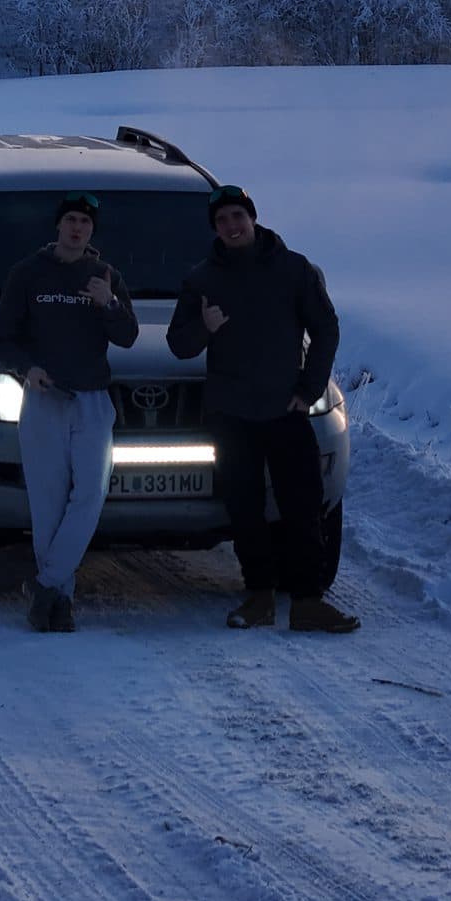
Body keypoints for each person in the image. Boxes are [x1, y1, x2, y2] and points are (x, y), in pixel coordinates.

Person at [167, 183, 360, 634]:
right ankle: (258, 598)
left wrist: (309, 388)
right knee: (244, 508)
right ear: (214, 229)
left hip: (284, 410)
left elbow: (326, 329)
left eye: (238, 217)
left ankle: (308, 602)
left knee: (303, 506)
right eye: (222, 221)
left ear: (252, 218)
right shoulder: (202, 278)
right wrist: (205, 328)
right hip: (231, 414)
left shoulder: (293, 270)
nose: (232, 227)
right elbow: (179, 344)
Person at [0, 192, 137, 632]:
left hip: (92, 402)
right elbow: (2, 339)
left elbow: (128, 335)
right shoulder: (28, 274)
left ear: (92, 231)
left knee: (89, 495)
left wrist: (108, 303)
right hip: (45, 400)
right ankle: (59, 602)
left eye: (85, 223)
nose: (77, 228)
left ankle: (45, 583)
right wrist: (27, 367)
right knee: (48, 504)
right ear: (58, 226)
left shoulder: (105, 275)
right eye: (71, 220)